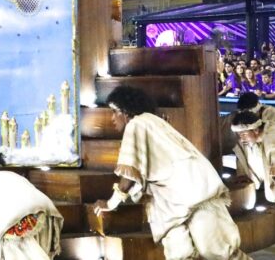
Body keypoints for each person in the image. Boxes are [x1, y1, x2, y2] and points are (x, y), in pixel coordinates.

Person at [94, 86, 248, 260]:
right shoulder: (152, 122)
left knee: (218, 251)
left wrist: (111, 203)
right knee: (183, 253)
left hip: (193, 193)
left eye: (114, 112)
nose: (112, 118)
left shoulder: (137, 124)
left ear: (125, 111)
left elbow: (130, 174)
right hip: (175, 198)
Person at [231, 111, 275, 259]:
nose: (241, 138)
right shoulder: (271, 129)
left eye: (244, 134)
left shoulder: (273, 142)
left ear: (256, 130)